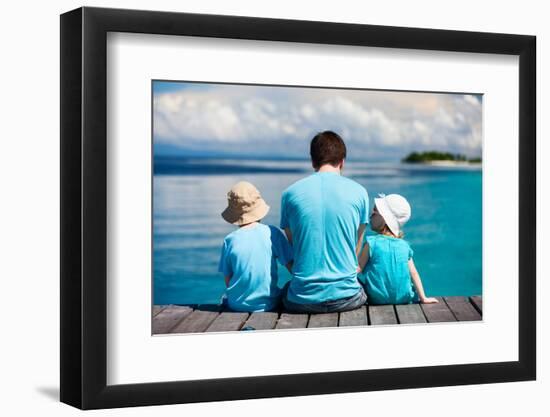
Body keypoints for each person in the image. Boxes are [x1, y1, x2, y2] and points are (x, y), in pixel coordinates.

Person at [280, 131, 369, 313]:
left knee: (284, 290)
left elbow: (294, 245)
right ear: (342, 161)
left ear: (313, 161)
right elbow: (356, 246)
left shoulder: (289, 194)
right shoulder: (360, 193)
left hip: (302, 299)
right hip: (348, 297)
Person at [218, 181, 293, 312]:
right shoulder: (272, 233)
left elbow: (228, 280)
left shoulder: (229, 240)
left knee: (224, 297)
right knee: (288, 287)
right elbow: (292, 268)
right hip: (269, 304)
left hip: (236, 305)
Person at [358, 193, 438, 305]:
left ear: (384, 218)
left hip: (376, 299)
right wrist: (423, 298)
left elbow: (358, 269)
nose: (370, 215)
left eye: (374, 211)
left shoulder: (371, 243)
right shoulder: (405, 246)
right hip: (403, 298)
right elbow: (413, 273)